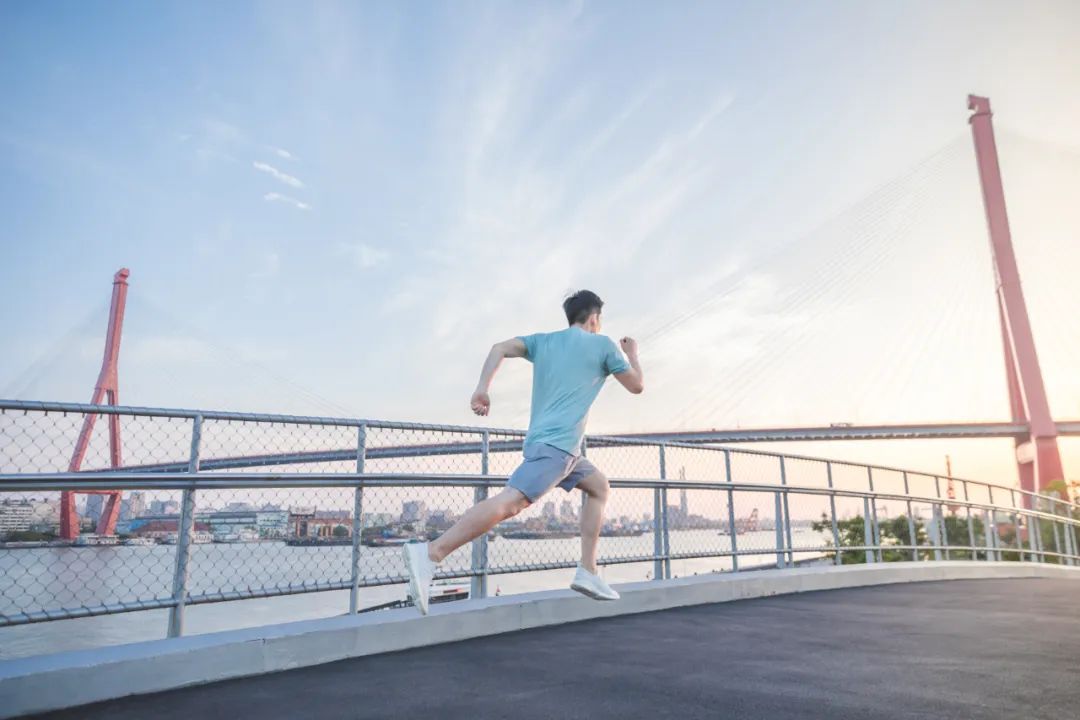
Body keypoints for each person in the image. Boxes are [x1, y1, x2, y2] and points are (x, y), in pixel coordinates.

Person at [403, 290, 645, 614]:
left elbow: (498, 348)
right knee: (511, 502)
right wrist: (633, 353)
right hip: (557, 450)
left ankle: (588, 571)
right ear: (594, 318)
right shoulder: (603, 345)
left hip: (559, 450)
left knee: (599, 487)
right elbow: (637, 385)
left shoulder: (544, 341)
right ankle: (432, 552)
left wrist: (482, 388)